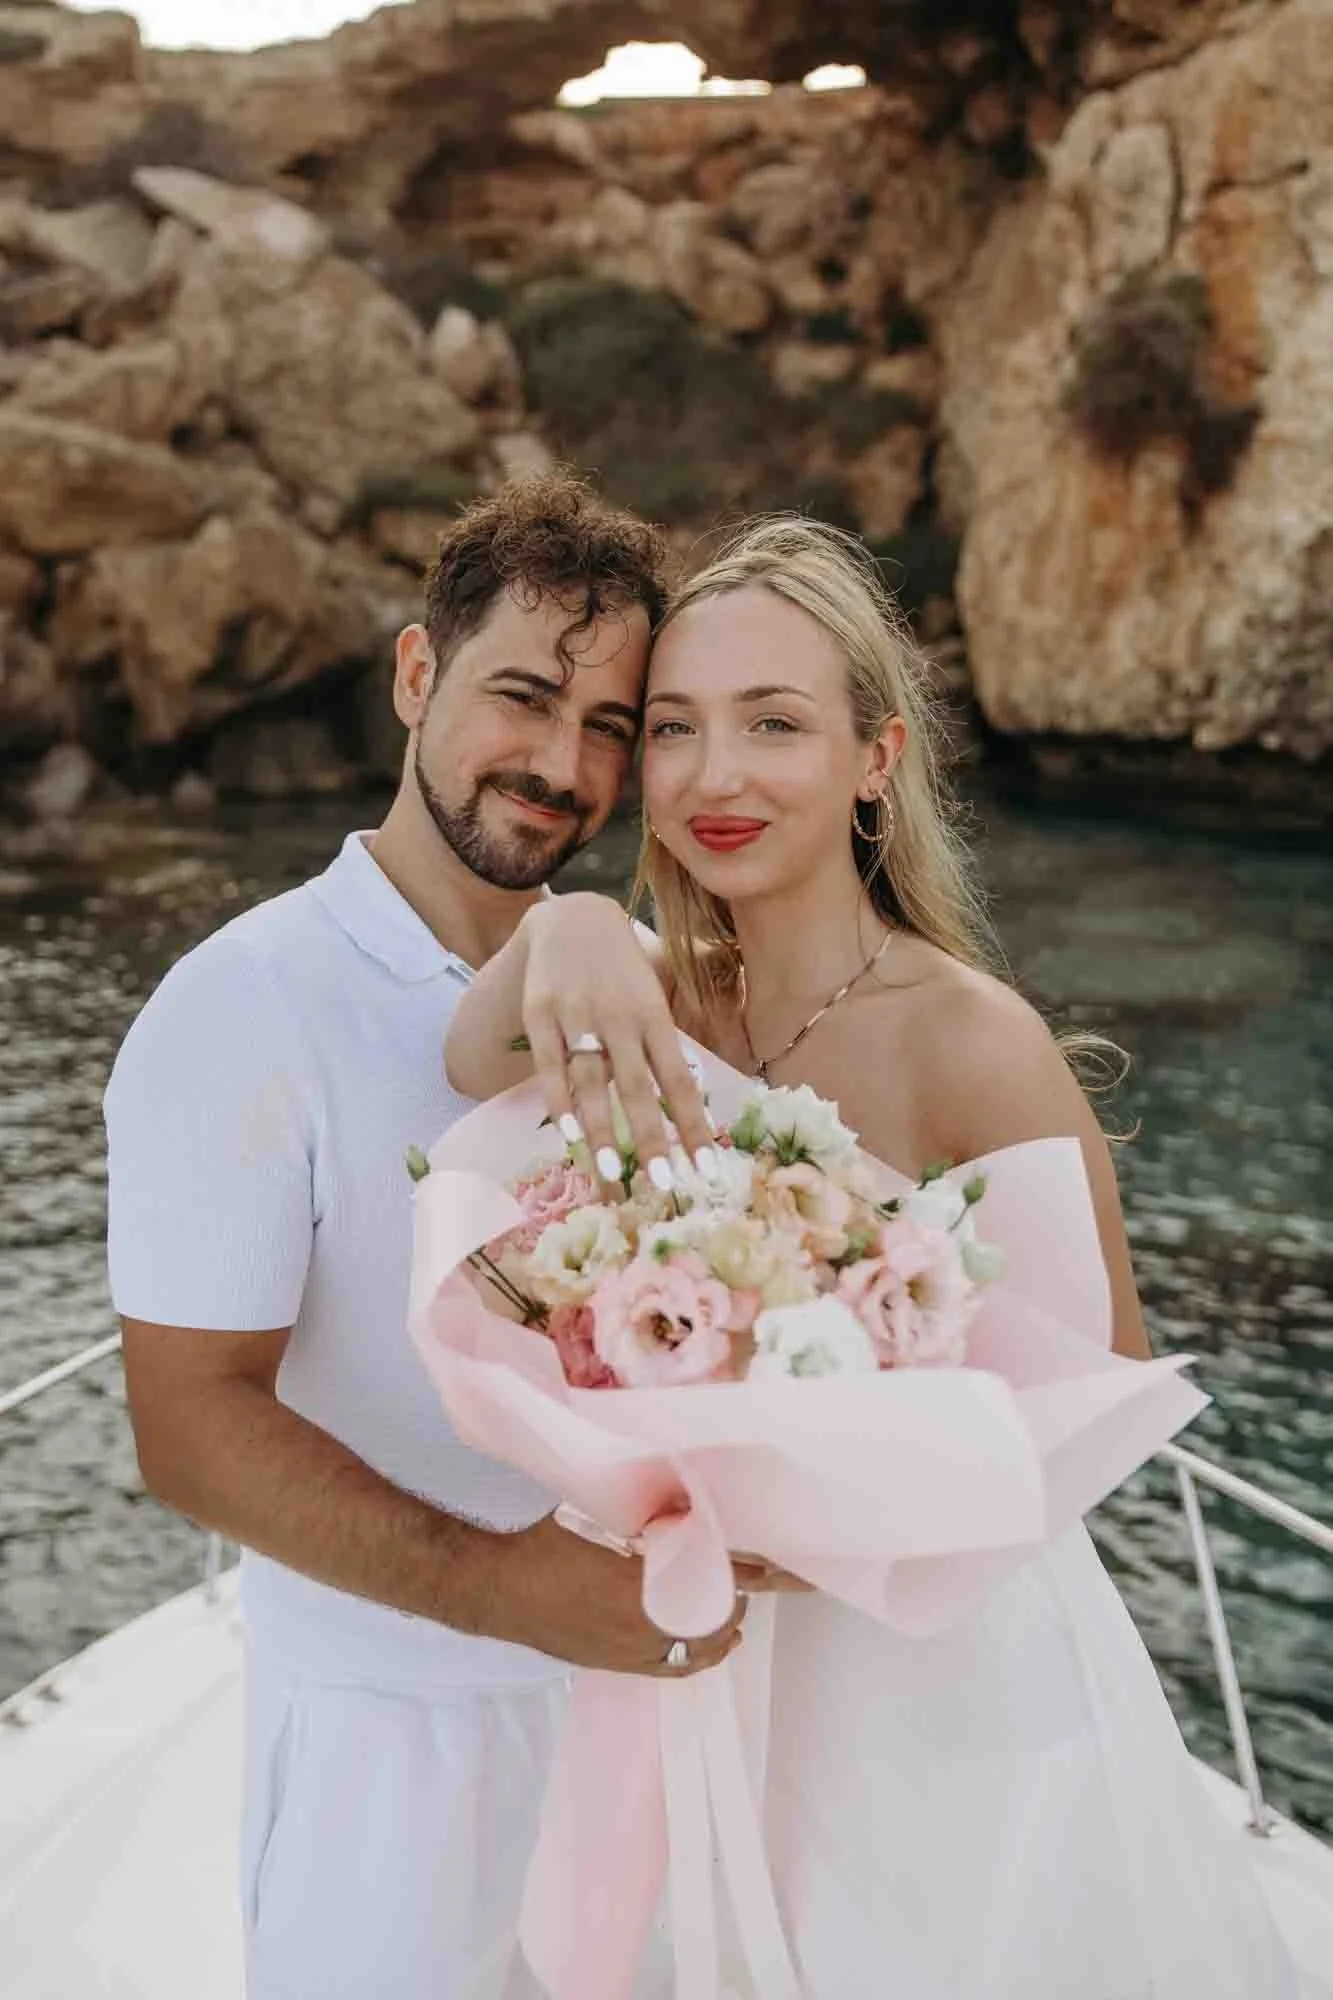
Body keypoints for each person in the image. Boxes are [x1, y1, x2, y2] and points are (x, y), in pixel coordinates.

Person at [444, 515, 1302, 1997]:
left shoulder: (971, 1038)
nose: (716, 777)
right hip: (707, 1655)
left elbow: (1097, 1401)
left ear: (875, 758)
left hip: (930, 1676)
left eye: (774, 724)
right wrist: (569, 921)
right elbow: (473, 1059)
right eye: (675, 729)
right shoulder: (658, 999)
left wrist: (843, 1518)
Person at [103, 474, 772, 2000]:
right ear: (417, 675)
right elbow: (188, 1425)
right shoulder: (244, 1004)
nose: (561, 763)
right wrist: (499, 1589)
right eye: (523, 698)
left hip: (650, 1727)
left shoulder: (634, 985)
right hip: (389, 1756)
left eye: (612, 727)